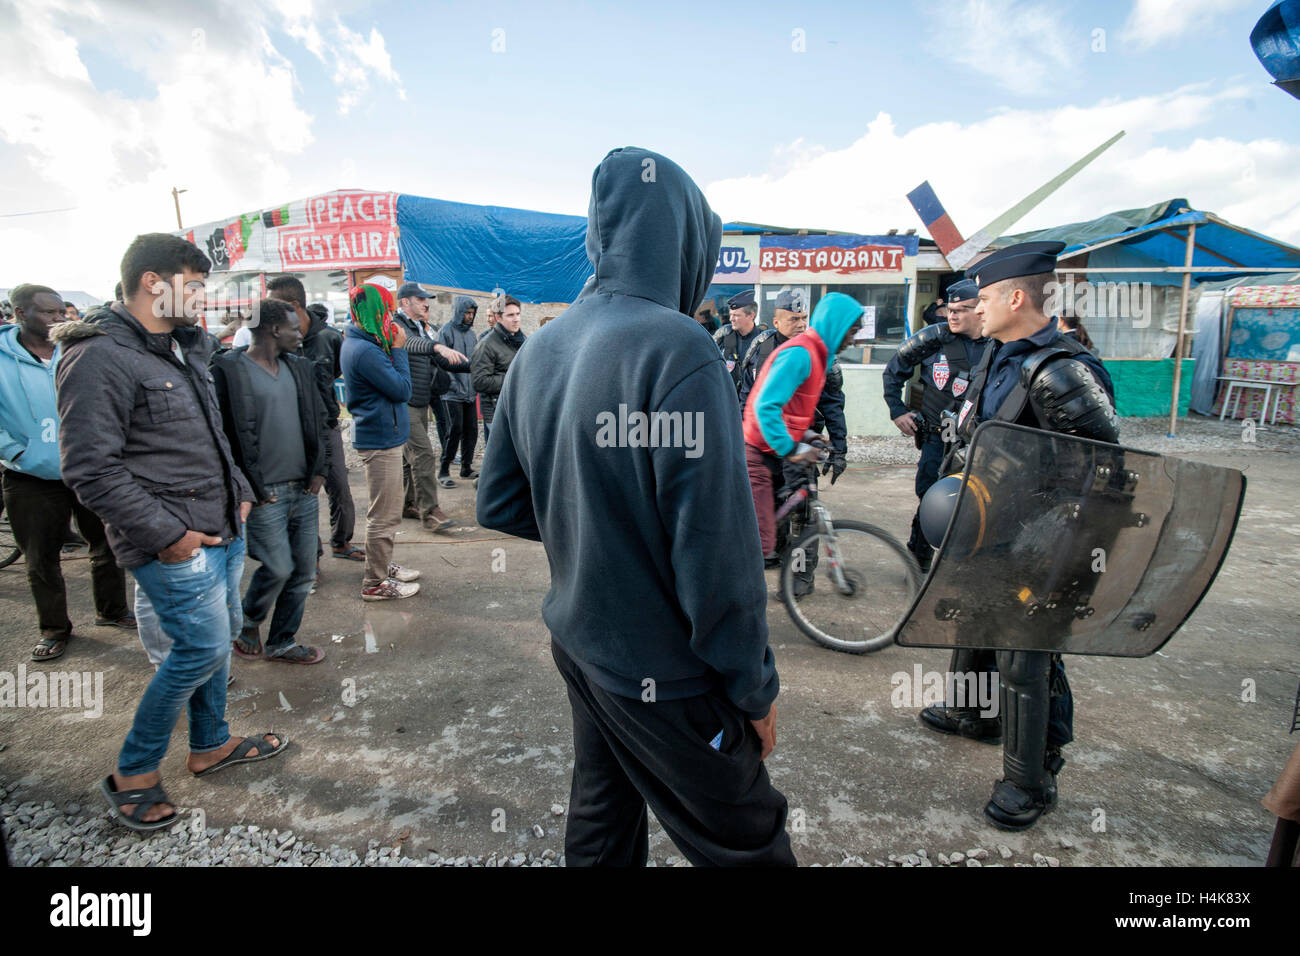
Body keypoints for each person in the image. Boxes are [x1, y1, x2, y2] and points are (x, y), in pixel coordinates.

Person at [477, 147, 795, 867]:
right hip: (665, 670)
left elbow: (499, 501)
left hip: (581, 644)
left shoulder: (542, 346)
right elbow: (717, 553)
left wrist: (593, 537)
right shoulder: (680, 347)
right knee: (746, 840)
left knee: (603, 813)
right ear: (687, 242)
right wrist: (753, 690)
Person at [54, 233, 285, 832]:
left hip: (219, 528)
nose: (204, 298)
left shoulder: (181, 347)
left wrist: (238, 489)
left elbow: (209, 434)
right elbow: (89, 469)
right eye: (197, 286)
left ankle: (210, 745)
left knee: (218, 645)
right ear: (154, 282)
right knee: (200, 650)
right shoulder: (98, 355)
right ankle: (133, 774)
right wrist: (168, 536)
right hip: (174, 544)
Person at [933, 240, 1117, 831]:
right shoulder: (998, 353)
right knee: (976, 621)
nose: (975, 306)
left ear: (1016, 298)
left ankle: (1031, 778)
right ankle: (974, 714)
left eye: (984, 297)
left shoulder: (1061, 370)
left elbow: (1109, 476)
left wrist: (1058, 548)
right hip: (990, 527)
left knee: (1026, 655)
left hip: (1044, 542)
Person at [0, 284, 133, 662]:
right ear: (20, 314)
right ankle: (54, 630)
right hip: (31, 476)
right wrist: (17, 452)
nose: (59, 319)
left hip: (89, 469)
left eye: (61, 312)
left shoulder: (76, 348)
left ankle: (112, 611)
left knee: (107, 545)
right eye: (49, 313)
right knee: (41, 559)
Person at [211, 298, 329, 664]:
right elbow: (222, 436)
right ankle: (250, 621)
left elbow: (319, 419)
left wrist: (320, 469)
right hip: (265, 495)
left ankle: (282, 641)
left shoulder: (299, 367)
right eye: (294, 328)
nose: (300, 334)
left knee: (303, 573)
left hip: (304, 489)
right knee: (278, 567)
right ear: (275, 330)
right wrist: (247, 488)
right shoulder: (229, 371)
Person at [744, 293, 864, 589]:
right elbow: (765, 406)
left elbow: (800, 409)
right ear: (836, 326)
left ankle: (798, 579)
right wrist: (792, 447)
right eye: (851, 331)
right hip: (759, 452)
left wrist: (810, 436)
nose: (854, 340)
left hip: (779, 450)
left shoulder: (821, 357)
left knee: (797, 516)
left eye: (802, 318)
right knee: (761, 541)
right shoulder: (800, 354)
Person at [341, 282, 451, 600]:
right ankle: (374, 583)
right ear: (373, 313)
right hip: (379, 440)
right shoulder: (364, 351)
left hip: (385, 435)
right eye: (385, 312)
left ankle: (381, 564)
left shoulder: (367, 342)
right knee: (385, 515)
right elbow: (402, 389)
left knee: (386, 511)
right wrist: (400, 350)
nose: (390, 318)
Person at [882, 278, 991, 572]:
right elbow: (893, 371)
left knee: (974, 504)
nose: (952, 316)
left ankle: (961, 565)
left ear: (979, 309)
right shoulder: (934, 339)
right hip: (936, 439)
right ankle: (918, 562)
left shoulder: (997, 345)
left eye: (960, 310)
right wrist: (897, 411)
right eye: (950, 310)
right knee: (930, 499)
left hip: (977, 443)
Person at [392, 282, 465, 532]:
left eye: (427, 299)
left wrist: (473, 365)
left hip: (420, 400)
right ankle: (430, 512)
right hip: (404, 402)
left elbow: (441, 360)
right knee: (423, 454)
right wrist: (437, 345)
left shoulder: (422, 328)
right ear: (405, 302)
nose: (426, 303)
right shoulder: (397, 326)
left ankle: (409, 503)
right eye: (421, 299)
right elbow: (410, 344)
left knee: (409, 457)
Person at [437, 296, 480, 488]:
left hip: (470, 392)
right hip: (451, 393)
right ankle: (444, 470)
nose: (470, 316)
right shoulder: (445, 332)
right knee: (454, 430)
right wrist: (453, 385)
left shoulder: (471, 335)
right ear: (458, 312)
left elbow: (475, 361)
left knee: (472, 430)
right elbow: (441, 362)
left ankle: (466, 467)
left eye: (472, 313)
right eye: (467, 313)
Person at [471, 293, 525, 445]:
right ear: (498, 317)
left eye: (518, 314)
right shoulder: (486, 345)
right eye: (510, 315)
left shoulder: (522, 340)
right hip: (496, 411)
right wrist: (513, 380)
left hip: (518, 408)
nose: (516, 319)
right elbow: (479, 381)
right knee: (499, 454)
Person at [712, 289, 765, 393]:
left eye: (736, 315)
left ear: (751, 316)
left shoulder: (763, 341)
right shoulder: (723, 338)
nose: (731, 319)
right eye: (731, 314)